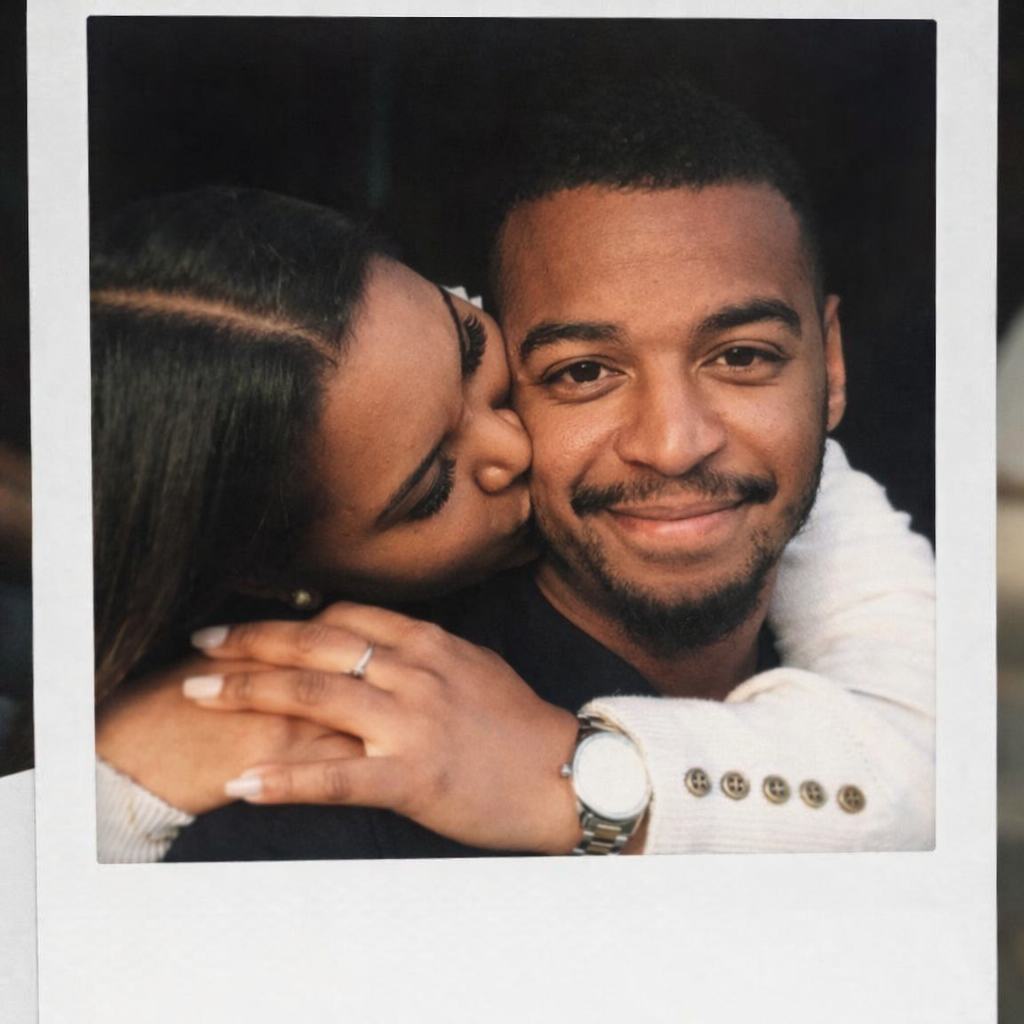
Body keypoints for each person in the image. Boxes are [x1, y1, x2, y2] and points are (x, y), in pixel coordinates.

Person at [95, 80, 934, 860]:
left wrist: (576, 774)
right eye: (580, 372)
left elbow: (930, 762)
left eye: (742, 356)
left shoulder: (825, 525)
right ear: (287, 574)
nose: (675, 444)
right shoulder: (325, 805)